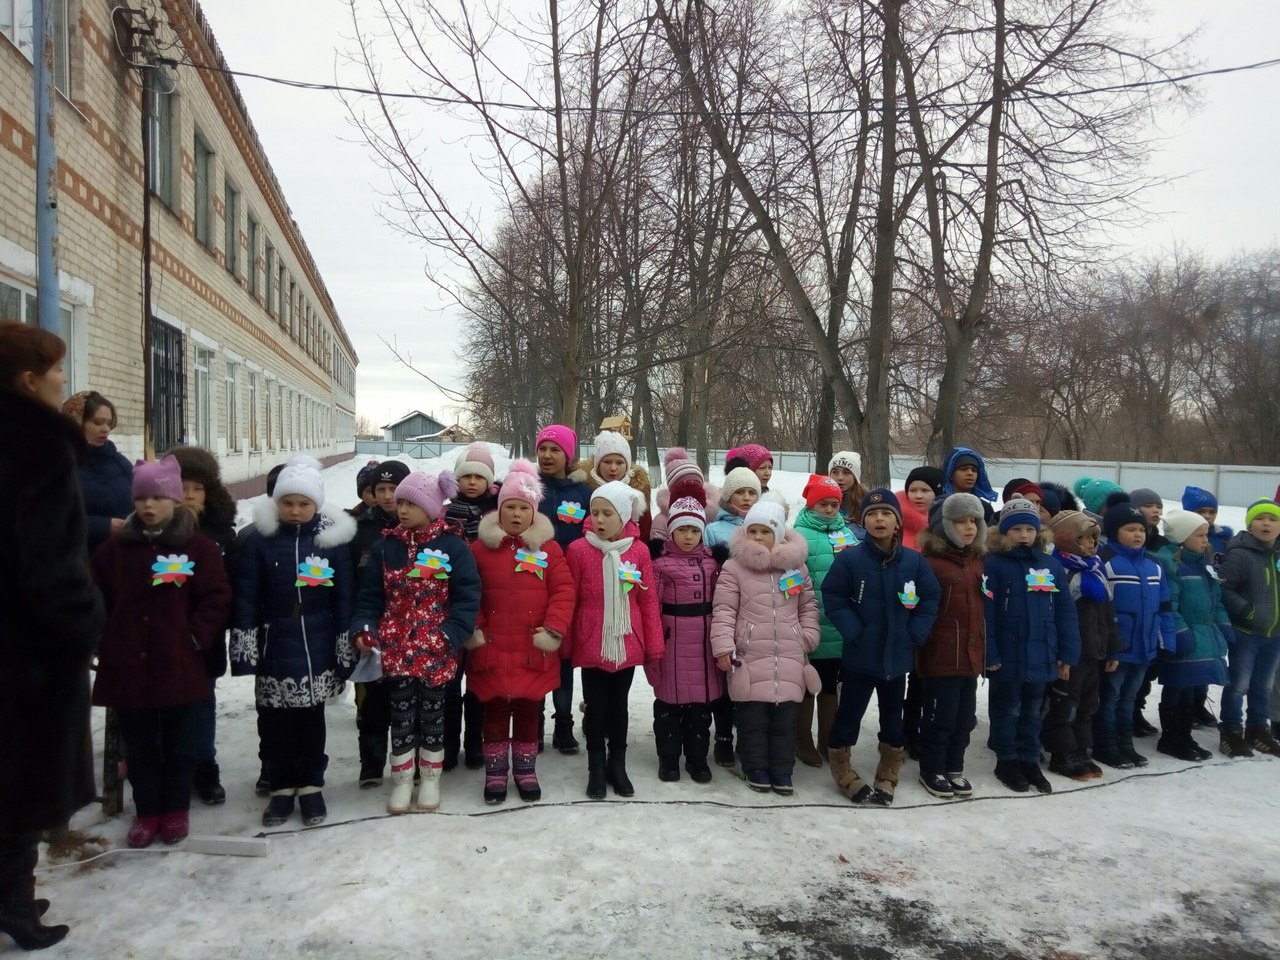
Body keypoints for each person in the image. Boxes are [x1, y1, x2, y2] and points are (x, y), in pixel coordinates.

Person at [0, 323, 104, 950]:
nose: (64, 380)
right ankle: (13, 905)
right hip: (29, 652)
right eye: (56, 370)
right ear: (28, 380)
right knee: (22, 782)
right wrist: (85, 621)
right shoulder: (36, 446)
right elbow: (52, 563)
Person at [91, 456, 232, 848]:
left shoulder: (197, 548)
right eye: (141, 498)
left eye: (157, 497)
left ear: (175, 500)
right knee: (139, 745)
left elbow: (216, 596)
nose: (148, 506)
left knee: (178, 743)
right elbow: (94, 596)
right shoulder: (115, 550)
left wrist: (195, 637)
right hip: (128, 666)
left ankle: (175, 809)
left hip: (178, 665)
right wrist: (104, 637)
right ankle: (147, 810)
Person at [232, 455, 358, 827]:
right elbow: (246, 598)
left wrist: (344, 645)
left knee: (311, 721)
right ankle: (281, 788)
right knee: (276, 724)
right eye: (287, 502)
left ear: (316, 504)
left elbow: (344, 598)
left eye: (304, 503)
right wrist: (245, 649)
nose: (295, 510)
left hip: (317, 644)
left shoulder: (331, 543)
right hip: (274, 643)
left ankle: (311, 786)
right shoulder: (260, 541)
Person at [353, 470, 481, 813]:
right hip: (396, 650)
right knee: (401, 717)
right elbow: (370, 597)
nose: (402, 509)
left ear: (432, 507)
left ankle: (431, 777)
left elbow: (467, 596)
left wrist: (450, 634)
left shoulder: (453, 546)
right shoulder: (386, 547)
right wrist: (365, 629)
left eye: (411, 504)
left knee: (434, 716)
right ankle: (402, 778)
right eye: (401, 503)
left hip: (436, 649)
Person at [823, 489, 941, 805]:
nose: (879, 519)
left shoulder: (914, 561)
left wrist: (915, 632)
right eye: (872, 514)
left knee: (893, 718)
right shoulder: (850, 559)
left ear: (897, 521)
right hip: (859, 657)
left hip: (897, 659)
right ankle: (842, 769)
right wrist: (854, 631)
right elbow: (833, 596)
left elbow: (930, 597)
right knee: (848, 714)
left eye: (886, 513)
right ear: (863, 521)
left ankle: (888, 772)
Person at [468, 460, 574, 803]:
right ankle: (496, 773)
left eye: (523, 508)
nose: (516, 514)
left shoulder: (549, 550)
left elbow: (564, 591)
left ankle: (526, 770)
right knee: (495, 712)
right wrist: (475, 628)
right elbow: (467, 592)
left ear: (534, 512)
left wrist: (554, 628)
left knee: (529, 711)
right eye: (510, 507)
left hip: (533, 647)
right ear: (499, 510)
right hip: (492, 646)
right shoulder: (479, 550)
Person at [711, 500, 819, 794]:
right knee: (752, 718)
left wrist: (807, 635)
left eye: (765, 531)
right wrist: (724, 646)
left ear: (779, 535)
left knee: (785, 719)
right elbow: (724, 610)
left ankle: (782, 770)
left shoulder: (796, 567)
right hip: (750, 656)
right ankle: (755, 766)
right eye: (753, 531)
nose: (758, 537)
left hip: (790, 654)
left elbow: (808, 606)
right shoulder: (734, 568)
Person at [565, 482, 663, 799]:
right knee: (596, 706)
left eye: (607, 513)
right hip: (592, 637)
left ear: (623, 516)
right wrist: (566, 642)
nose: (599, 519)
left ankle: (617, 765)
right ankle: (595, 766)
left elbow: (647, 600)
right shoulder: (578, 550)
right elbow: (570, 598)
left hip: (626, 637)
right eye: (595, 512)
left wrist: (653, 643)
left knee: (619, 706)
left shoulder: (639, 551)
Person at [984, 499, 1081, 794]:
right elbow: (986, 614)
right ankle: (1006, 760)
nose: (1024, 535)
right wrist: (990, 652)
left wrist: (1067, 652)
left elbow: (1065, 611)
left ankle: (1029, 759)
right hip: (1007, 654)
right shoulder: (993, 565)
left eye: (1029, 529)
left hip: (1042, 653)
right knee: (1008, 709)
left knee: (1033, 710)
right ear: (1004, 532)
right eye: (1016, 529)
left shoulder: (1050, 564)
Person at [168, 445, 238, 806]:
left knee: (202, 700)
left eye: (198, 488)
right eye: (183, 486)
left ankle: (204, 766)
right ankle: (166, 768)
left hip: (204, 634)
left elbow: (228, 585)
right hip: (162, 633)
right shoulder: (155, 529)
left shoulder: (221, 534)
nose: (190, 494)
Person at [914, 493, 987, 799]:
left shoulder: (977, 562)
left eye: (973, 521)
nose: (969, 527)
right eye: (960, 521)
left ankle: (955, 766)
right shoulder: (931, 564)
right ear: (944, 526)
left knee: (964, 718)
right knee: (939, 718)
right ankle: (932, 768)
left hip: (970, 655)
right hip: (941, 655)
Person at [647, 494, 724, 783]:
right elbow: (651, 607)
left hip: (704, 643)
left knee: (701, 708)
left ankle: (697, 758)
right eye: (682, 530)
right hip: (672, 643)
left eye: (694, 530)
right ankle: (668, 759)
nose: (689, 536)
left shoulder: (712, 563)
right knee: (669, 706)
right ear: (671, 531)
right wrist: (654, 647)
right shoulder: (660, 565)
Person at [1094, 503, 1174, 769]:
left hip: (1144, 647)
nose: (1138, 534)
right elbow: (1100, 611)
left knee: (1130, 697)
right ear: (1114, 531)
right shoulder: (1105, 562)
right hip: (1117, 648)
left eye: (1141, 529)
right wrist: (1108, 646)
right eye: (1130, 529)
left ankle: (1125, 742)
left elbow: (1165, 606)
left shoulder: (1154, 565)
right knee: (1110, 697)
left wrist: (1165, 640)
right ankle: (1105, 744)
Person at [1043, 510, 1121, 780]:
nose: (1092, 543)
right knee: (1065, 704)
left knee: (1088, 704)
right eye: (1085, 538)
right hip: (1070, 654)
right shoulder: (1058, 571)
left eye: (1095, 538)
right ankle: (1061, 752)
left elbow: (1108, 614)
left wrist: (1113, 649)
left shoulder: (1096, 571)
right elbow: (1054, 618)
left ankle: (1080, 749)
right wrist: (1061, 655)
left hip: (1094, 651)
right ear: (1067, 538)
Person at [348, 459, 411, 787]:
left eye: (394, 489)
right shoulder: (359, 529)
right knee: (371, 700)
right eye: (381, 489)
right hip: (371, 625)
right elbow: (349, 581)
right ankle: (371, 763)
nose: (387, 496)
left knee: (406, 700)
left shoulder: (419, 526)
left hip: (409, 628)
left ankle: (409, 761)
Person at [791, 474, 858, 768]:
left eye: (834, 505)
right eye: (823, 504)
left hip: (838, 625)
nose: (830, 510)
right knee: (807, 683)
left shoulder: (848, 535)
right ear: (811, 505)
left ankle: (827, 737)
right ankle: (801, 738)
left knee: (831, 685)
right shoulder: (798, 535)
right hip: (809, 621)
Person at [1152, 511, 1229, 763]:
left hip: (1203, 635)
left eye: (1206, 534)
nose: (1205, 540)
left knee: (1191, 688)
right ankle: (1170, 738)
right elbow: (1169, 605)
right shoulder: (1171, 566)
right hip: (1184, 637)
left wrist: (1224, 626)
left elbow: (1216, 601)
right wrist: (1180, 633)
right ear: (1182, 537)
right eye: (1199, 535)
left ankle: (1184, 735)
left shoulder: (1203, 565)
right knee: (1177, 687)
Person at [535, 424, 592, 756]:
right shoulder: (528, 487)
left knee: (564, 657)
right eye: (542, 449)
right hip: (531, 581)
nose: (547, 455)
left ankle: (564, 723)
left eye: (555, 450)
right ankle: (534, 721)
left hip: (569, 587)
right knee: (534, 653)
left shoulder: (582, 494)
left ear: (568, 456)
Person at [443, 443, 501, 772]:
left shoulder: (497, 513)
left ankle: (476, 743)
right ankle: (449, 744)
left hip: (486, 604)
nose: (472, 482)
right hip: (450, 605)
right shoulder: (444, 513)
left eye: (479, 477)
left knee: (480, 680)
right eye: (466, 477)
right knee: (450, 682)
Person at [1219, 499, 1280, 757]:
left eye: (1273, 519)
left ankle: (1257, 729)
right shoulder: (1240, 554)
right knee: (1239, 684)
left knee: (1264, 685)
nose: (1266, 523)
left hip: (1275, 635)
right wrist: (1248, 611)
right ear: (1249, 524)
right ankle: (1231, 730)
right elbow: (1225, 589)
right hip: (1247, 633)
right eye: (1259, 518)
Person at [1180, 484, 1235, 727]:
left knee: (1207, 661)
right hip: (1192, 605)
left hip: (1214, 602)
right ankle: (1185, 708)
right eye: (1201, 511)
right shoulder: (1181, 538)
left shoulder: (1224, 539)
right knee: (1190, 663)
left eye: (1212, 511)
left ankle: (1198, 704)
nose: (1207, 516)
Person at [61, 390, 133, 555]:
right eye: (98, 422)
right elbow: (53, 517)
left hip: (123, 555)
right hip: (83, 556)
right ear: (78, 422)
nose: (105, 429)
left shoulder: (120, 462)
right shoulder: (62, 464)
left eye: (109, 423)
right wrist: (103, 526)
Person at [571, 430, 653, 541]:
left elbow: (645, 530)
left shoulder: (638, 492)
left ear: (627, 465)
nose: (613, 468)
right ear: (598, 464)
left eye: (619, 463)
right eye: (607, 462)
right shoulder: (584, 489)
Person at [704, 466, 762, 548]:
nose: (746, 498)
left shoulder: (766, 528)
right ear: (728, 496)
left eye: (752, 493)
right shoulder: (712, 530)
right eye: (740, 492)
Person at [940, 447, 996, 524]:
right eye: (963, 469)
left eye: (974, 470)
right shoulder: (940, 505)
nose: (970, 473)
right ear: (950, 474)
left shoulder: (985, 507)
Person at [899, 466, 943, 550]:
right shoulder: (895, 522)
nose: (918, 496)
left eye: (925, 490)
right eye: (913, 490)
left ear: (937, 493)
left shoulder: (947, 523)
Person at [827, 451, 869, 527]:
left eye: (846, 473)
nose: (840, 477)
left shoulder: (866, 501)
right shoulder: (820, 499)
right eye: (835, 472)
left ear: (855, 477)